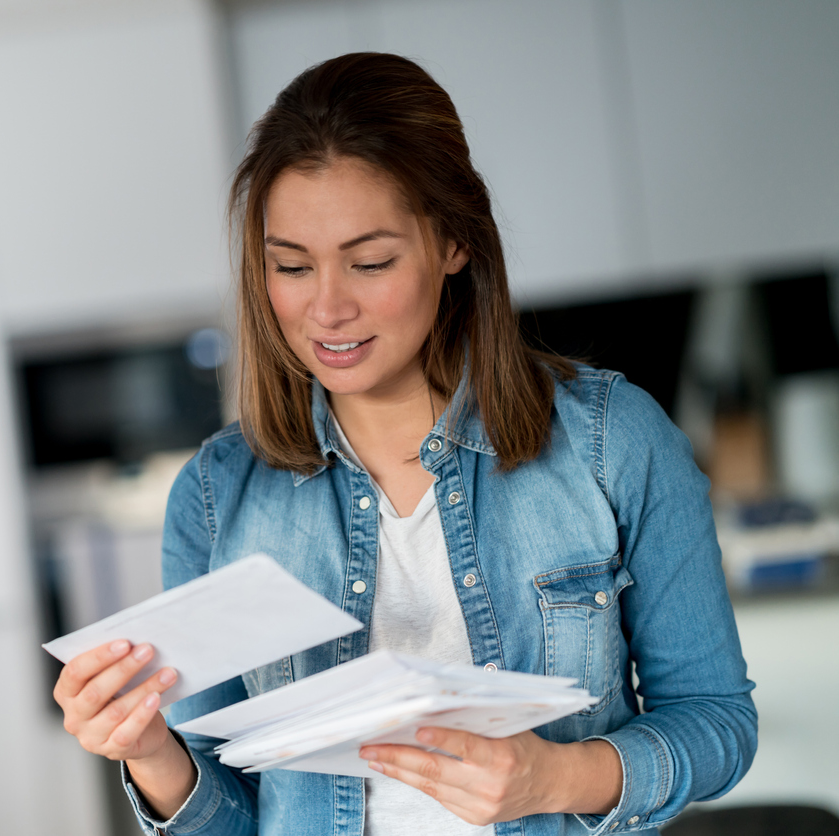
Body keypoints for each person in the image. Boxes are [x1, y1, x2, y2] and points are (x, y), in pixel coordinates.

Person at [52, 52, 756, 836]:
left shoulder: (610, 442)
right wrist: (150, 751)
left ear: (453, 243)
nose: (326, 307)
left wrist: (555, 776)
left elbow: (717, 722)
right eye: (289, 265)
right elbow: (230, 821)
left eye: (369, 262)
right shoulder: (217, 495)